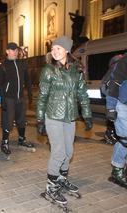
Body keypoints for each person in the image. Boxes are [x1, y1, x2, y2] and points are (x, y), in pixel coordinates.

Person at [36, 36, 92, 205]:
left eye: (58, 48)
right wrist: (39, 119)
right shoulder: (48, 70)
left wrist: (87, 115)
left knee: (69, 152)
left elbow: (82, 94)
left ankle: (61, 179)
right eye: (53, 48)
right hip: (53, 115)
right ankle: (50, 187)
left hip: (70, 116)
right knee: (59, 152)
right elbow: (42, 96)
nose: (54, 51)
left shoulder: (77, 69)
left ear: (67, 50)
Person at [0, 42, 33, 157]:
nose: (15, 52)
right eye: (12, 50)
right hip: (9, 98)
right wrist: (2, 100)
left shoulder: (22, 63)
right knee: (8, 120)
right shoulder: (3, 66)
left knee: (22, 119)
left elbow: (27, 80)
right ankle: (5, 142)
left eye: (16, 50)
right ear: (7, 51)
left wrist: (30, 94)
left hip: (21, 97)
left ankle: (22, 139)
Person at [106, 53, 127, 187]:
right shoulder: (124, 62)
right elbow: (114, 84)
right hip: (122, 104)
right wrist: (111, 108)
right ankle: (117, 171)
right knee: (125, 140)